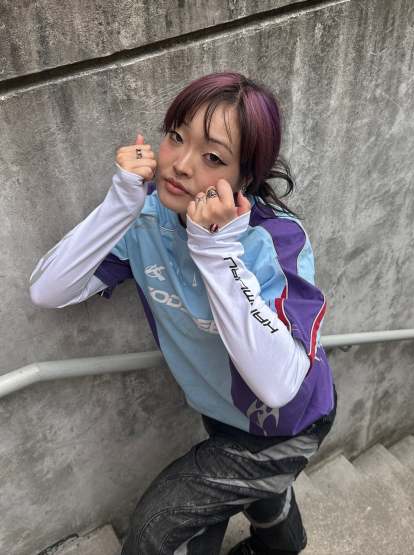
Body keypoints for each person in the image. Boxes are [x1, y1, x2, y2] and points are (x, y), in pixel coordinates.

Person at [30, 71, 337, 555]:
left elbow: (280, 384)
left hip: (288, 426)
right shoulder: (145, 218)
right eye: (176, 136)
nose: (181, 165)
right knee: (261, 489)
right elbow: (49, 290)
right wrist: (120, 203)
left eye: (213, 157)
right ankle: (283, 542)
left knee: (154, 532)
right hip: (220, 411)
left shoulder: (275, 239)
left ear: (245, 177)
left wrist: (216, 251)